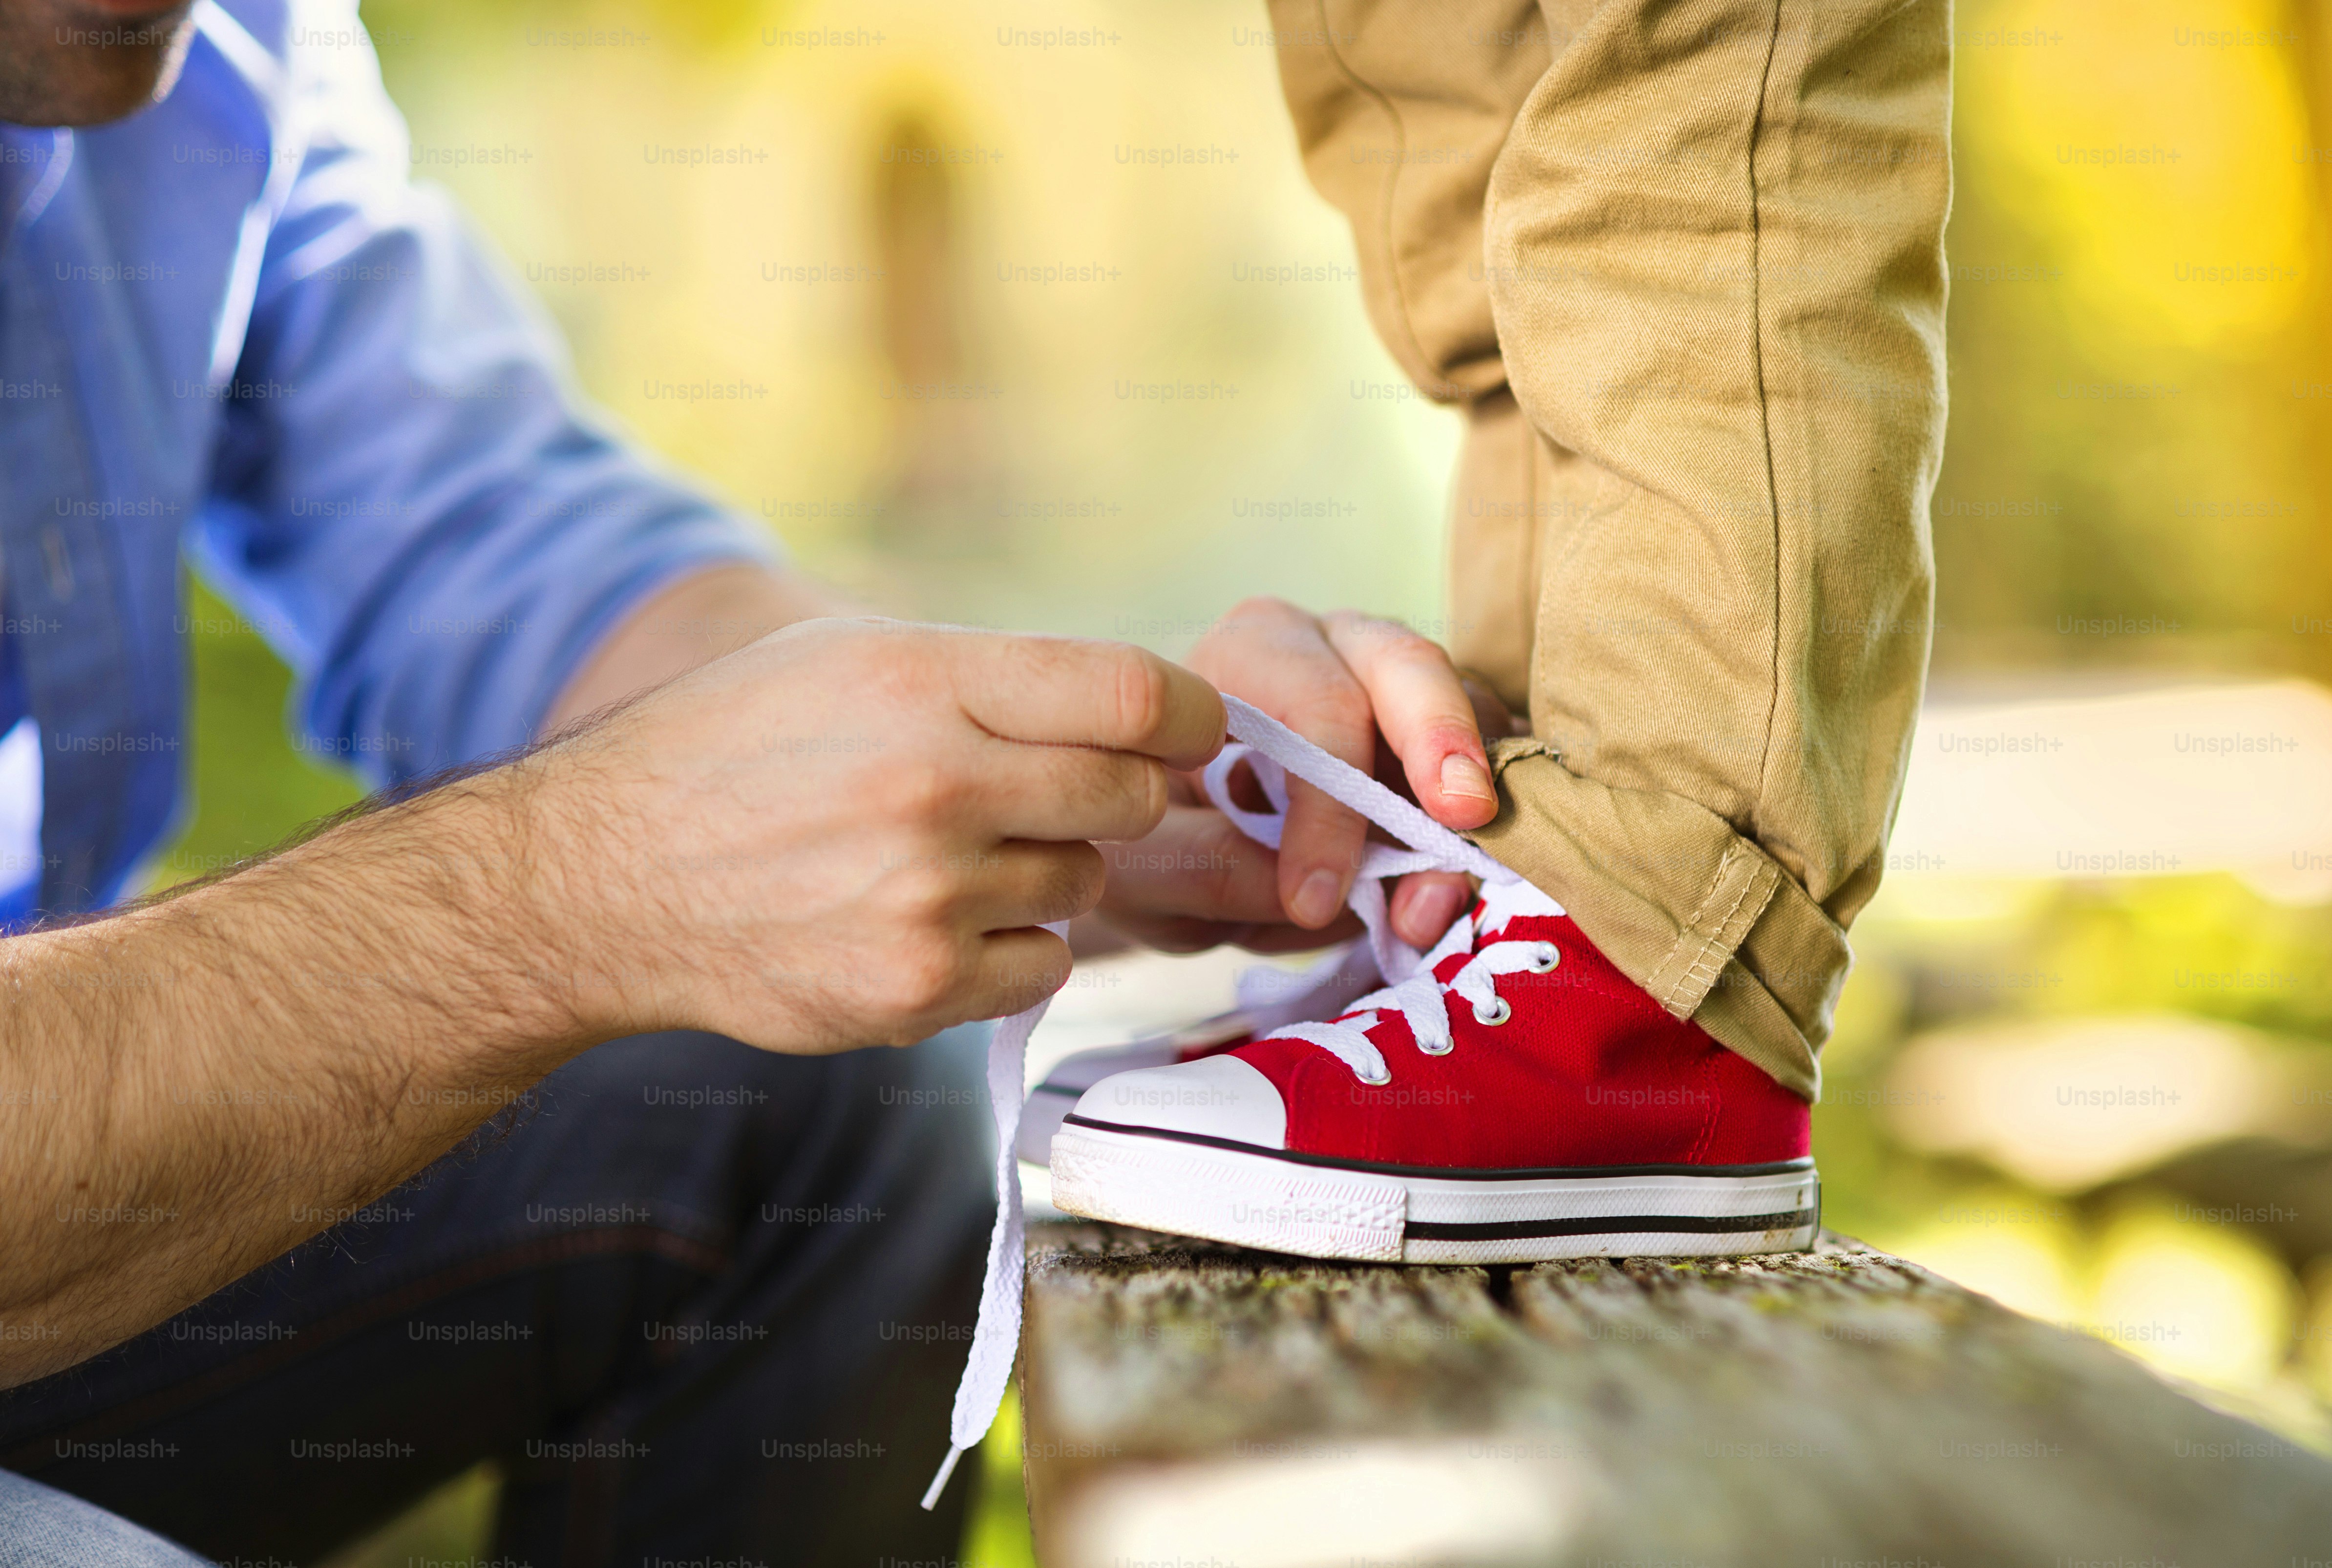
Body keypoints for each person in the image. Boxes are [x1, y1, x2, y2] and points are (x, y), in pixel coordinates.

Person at [0, 0, 1507, 1563]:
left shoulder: (224, 53)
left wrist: (1102, 764)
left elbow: (511, 550)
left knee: (838, 1080)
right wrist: (570, 889)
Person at [1044, 0, 1951, 1257]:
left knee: (1679, 92)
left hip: (1694, 970)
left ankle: (1664, 972)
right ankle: (1524, 890)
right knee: (1463, 138)